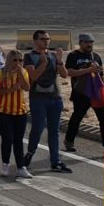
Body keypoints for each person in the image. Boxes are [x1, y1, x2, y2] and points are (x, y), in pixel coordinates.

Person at [24, 30, 73, 173]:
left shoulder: (52, 56)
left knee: (54, 131)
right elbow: (32, 76)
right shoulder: (29, 57)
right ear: (35, 41)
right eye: (42, 39)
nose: (46, 41)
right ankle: (30, 153)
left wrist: (59, 60)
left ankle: (55, 161)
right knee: (38, 128)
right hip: (38, 98)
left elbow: (64, 74)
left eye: (48, 39)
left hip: (55, 98)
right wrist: (44, 63)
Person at [65, 33, 104, 152]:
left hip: (97, 93)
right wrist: (88, 70)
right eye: (86, 42)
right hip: (81, 93)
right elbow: (69, 72)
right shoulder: (73, 56)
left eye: (91, 42)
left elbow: (101, 75)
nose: (89, 44)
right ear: (80, 43)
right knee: (77, 117)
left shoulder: (96, 56)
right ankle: (69, 140)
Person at [0, 50, 32, 179]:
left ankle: (21, 167)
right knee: (7, 138)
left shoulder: (23, 72)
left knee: (18, 140)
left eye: (20, 60)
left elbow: (26, 87)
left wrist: (20, 72)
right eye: (15, 60)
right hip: (4, 111)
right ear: (9, 60)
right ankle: (5, 164)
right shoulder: (0, 73)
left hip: (20, 111)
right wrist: (11, 89)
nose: (17, 63)